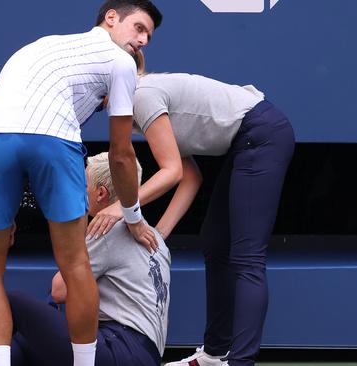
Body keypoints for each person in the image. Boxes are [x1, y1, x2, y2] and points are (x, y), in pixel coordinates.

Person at [0, 2, 163, 366]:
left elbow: (18, 136)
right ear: (111, 18)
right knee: (75, 263)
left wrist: (7, 210)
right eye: (139, 27)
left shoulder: (36, 47)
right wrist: (132, 216)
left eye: (148, 35)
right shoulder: (121, 63)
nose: (144, 39)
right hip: (55, 143)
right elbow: (120, 155)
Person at [87, 51, 295, 366]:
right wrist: (157, 235)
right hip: (248, 140)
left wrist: (122, 209)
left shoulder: (142, 96)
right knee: (215, 240)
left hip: (262, 135)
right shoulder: (137, 103)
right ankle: (214, 354)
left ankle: (240, 362)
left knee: (247, 257)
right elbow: (191, 176)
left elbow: (172, 173)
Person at [0, 152, 170, 366]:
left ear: (101, 193)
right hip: (141, 354)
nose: (78, 189)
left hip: (118, 347)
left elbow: (59, 290)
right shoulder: (155, 238)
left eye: (82, 183)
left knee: (12, 303)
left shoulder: (107, 229)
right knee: (15, 348)